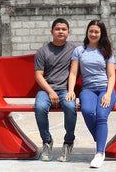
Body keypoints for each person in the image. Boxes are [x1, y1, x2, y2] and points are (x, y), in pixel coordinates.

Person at [66, 19, 116, 168]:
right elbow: (73, 73)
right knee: (87, 111)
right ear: (87, 32)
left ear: (102, 34)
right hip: (88, 90)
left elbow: (111, 75)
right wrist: (70, 90)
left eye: (96, 32)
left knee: (101, 115)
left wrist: (108, 94)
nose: (93, 34)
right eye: (91, 31)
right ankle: (100, 138)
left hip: (105, 89)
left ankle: (100, 153)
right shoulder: (79, 51)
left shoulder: (106, 51)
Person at [34, 18, 77, 162]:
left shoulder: (74, 50)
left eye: (64, 29)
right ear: (52, 31)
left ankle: (68, 142)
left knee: (71, 106)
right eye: (57, 29)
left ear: (68, 32)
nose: (60, 32)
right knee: (39, 107)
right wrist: (51, 92)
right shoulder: (42, 51)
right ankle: (47, 141)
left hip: (65, 90)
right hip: (46, 90)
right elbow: (38, 76)